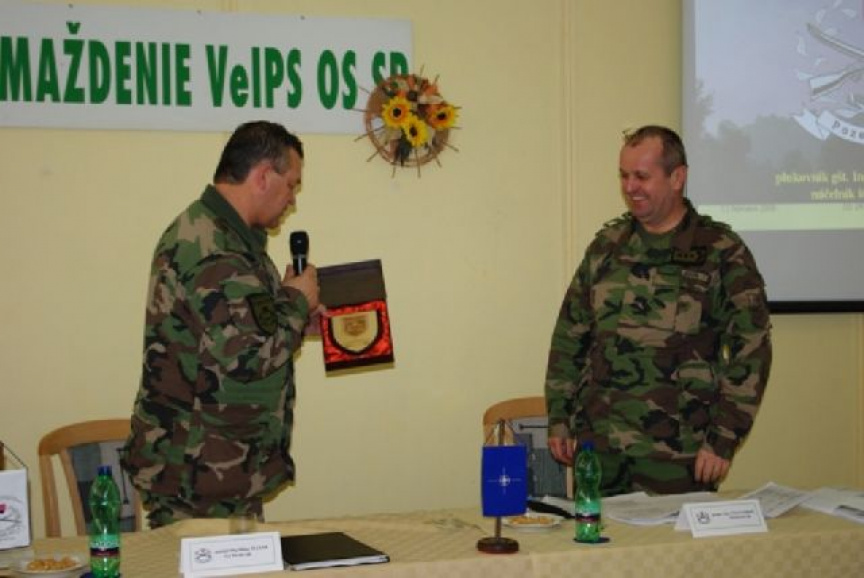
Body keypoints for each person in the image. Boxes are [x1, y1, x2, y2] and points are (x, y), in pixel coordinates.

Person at [544, 125, 772, 496]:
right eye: (623, 175)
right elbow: (570, 336)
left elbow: (752, 348)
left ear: (677, 177)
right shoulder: (607, 247)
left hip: (680, 455)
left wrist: (724, 437)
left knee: (675, 539)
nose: (630, 187)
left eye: (642, 176)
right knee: (598, 537)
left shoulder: (720, 251)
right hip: (601, 449)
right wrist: (559, 418)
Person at [121, 121, 320, 527]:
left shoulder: (227, 238)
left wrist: (296, 319)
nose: (291, 200)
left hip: (220, 470)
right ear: (263, 176)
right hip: (197, 476)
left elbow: (242, 334)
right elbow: (247, 356)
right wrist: (297, 302)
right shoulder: (213, 249)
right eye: (291, 185)